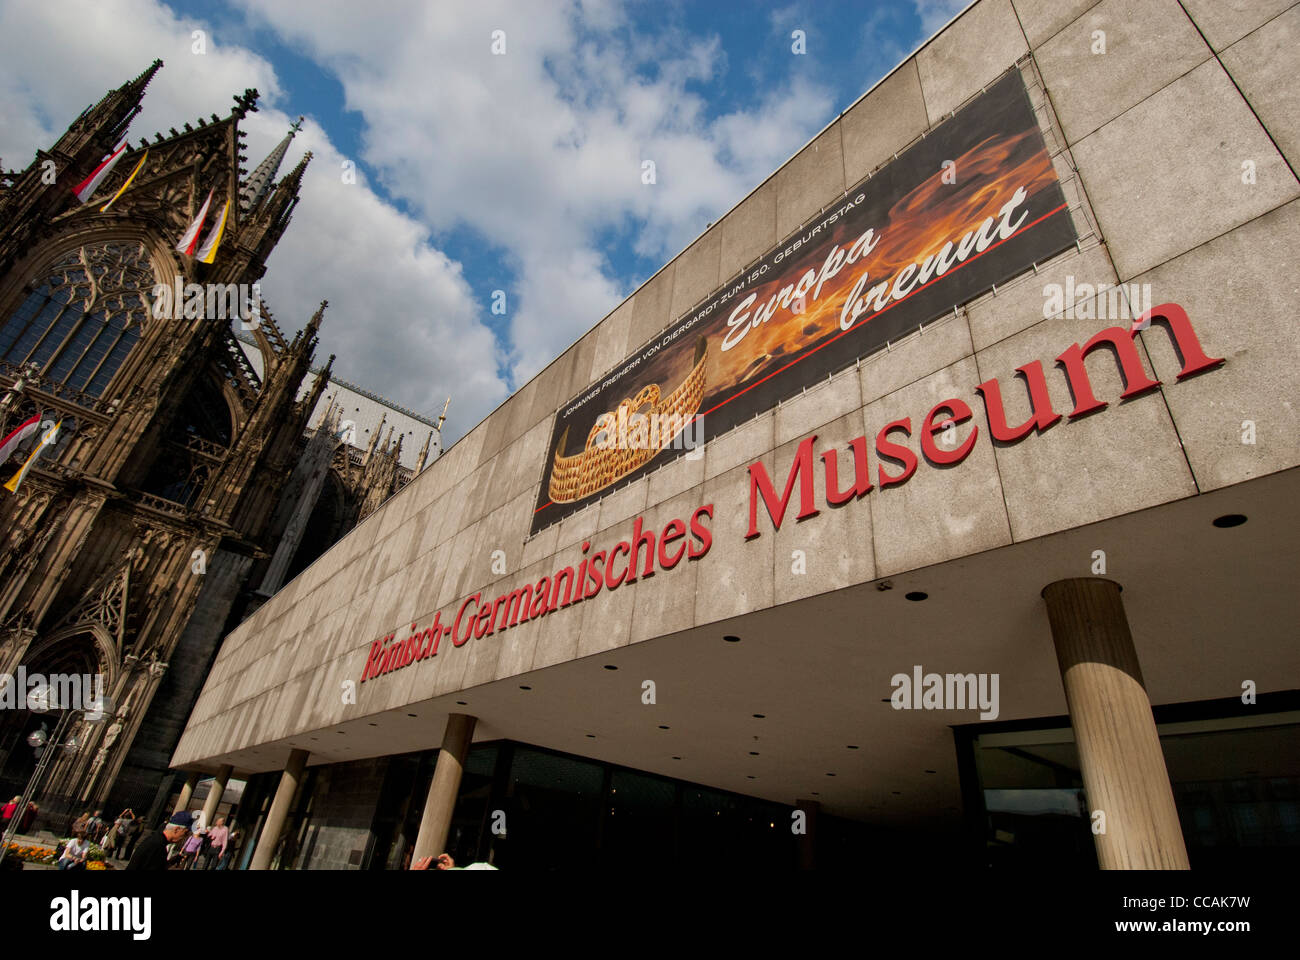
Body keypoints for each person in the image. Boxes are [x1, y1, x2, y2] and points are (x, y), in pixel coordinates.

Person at [125, 811, 192, 871]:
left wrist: (170, 862)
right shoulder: (158, 846)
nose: (185, 837)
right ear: (176, 829)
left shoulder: (157, 840)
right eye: (185, 833)